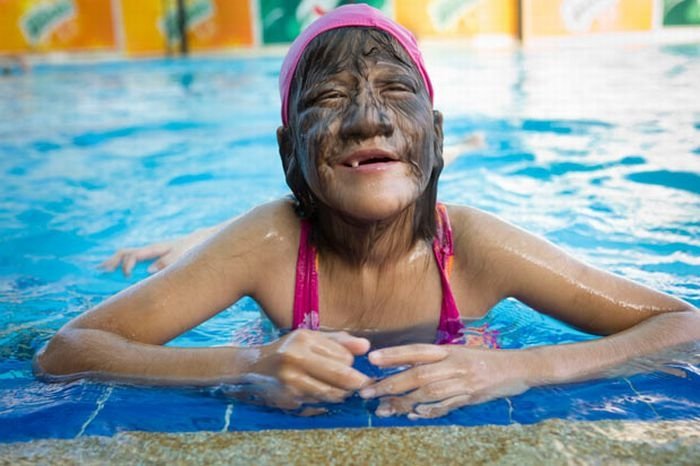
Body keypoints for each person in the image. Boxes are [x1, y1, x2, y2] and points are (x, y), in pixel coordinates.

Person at [35, 4, 699, 420]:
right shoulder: (270, 241)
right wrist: (246, 368)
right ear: (287, 149)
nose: (368, 118)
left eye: (393, 92)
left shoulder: (472, 247)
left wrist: (518, 368)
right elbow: (66, 352)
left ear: (433, 135)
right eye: (329, 97)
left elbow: (683, 325)